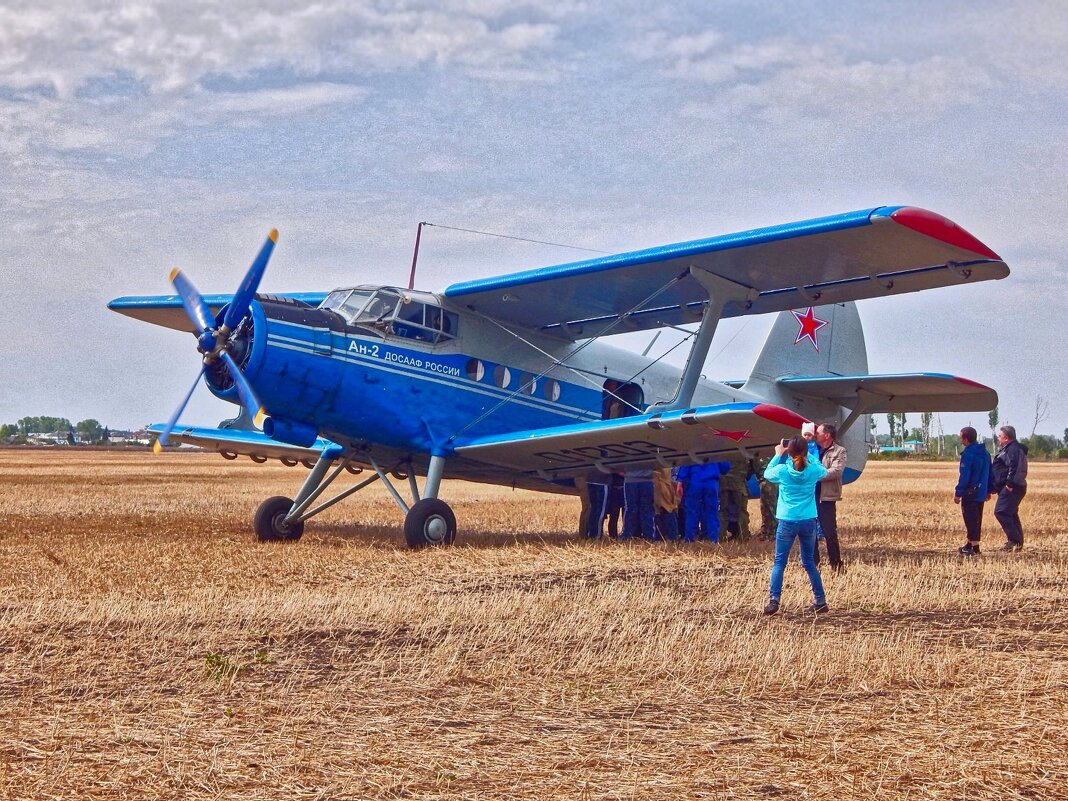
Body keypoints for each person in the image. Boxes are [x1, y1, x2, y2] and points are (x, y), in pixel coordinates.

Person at [763, 436, 829, 615]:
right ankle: (820, 600)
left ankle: (774, 600)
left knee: (779, 562)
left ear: (789, 452)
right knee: (809, 562)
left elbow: (767, 474)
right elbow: (824, 471)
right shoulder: (813, 470)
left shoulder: (783, 471)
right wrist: (810, 456)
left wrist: (778, 454)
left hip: (787, 520)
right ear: (805, 452)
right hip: (808, 520)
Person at [813, 422, 848, 573]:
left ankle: (836, 564)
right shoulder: (811, 449)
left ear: (827, 435)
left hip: (826, 497)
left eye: (818, 433)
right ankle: (813, 564)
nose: (815, 435)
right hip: (810, 496)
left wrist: (814, 475)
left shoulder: (840, 451)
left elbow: (837, 471)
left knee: (829, 532)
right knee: (810, 532)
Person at [990, 425, 1028, 551]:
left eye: (1000, 436)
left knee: (1001, 512)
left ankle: (1014, 541)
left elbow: (1014, 466)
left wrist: (1009, 484)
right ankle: (1017, 543)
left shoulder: (1012, 449)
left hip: (1013, 487)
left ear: (1006, 438)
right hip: (1015, 486)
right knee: (1010, 513)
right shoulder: (1011, 448)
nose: (998, 438)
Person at [955, 426, 991, 556]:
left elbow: (965, 475)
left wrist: (958, 493)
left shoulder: (968, 454)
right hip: (981, 492)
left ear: (966, 439)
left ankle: (975, 548)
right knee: (977, 519)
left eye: (961, 438)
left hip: (970, 493)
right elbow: (989, 473)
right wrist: (989, 490)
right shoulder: (985, 453)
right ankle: (969, 544)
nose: (960, 440)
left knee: (970, 520)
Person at [677, 461, 730, 542]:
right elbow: (725, 467)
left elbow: (686, 462)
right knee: (712, 513)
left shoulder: (691, 447)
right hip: (712, 483)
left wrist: (680, 480)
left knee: (692, 513)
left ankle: (690, 540)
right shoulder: (717, 447)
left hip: (695, 481)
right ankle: (713, 540)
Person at [718, 458, 751, 540]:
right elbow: (751, 468)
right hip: (739, 482)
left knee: (723, 511)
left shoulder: (722, 448)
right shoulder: (743, 449)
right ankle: (744, 536)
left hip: (723, 482)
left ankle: (720, 536)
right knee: (741, 511)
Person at [622, 468, 657, 540]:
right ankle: (649, 536)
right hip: (646, 479)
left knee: (630, 509)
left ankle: (627, 535)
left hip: (630, 480)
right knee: (647, 510)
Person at [653, 467, 680, 540]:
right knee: (667, 509)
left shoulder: (659, 459)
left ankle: (670, 537)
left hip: (661, 485)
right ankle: (670, 536)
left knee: (666, 510)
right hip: (666, 484)